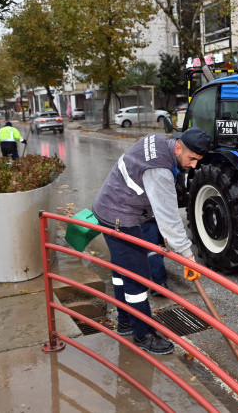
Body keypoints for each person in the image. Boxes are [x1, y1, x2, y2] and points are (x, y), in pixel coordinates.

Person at [92, 127, 209, 355]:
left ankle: (125, 321)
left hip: (107, 207)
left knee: (121, 271)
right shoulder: (160, 171)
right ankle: (143, 334)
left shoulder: (156, 139)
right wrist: (187, 256)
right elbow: (169, 219)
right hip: (120, 217)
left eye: (198, 161)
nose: (193, 165)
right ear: (178, 147)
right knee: (137, 278)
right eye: (191, 158)